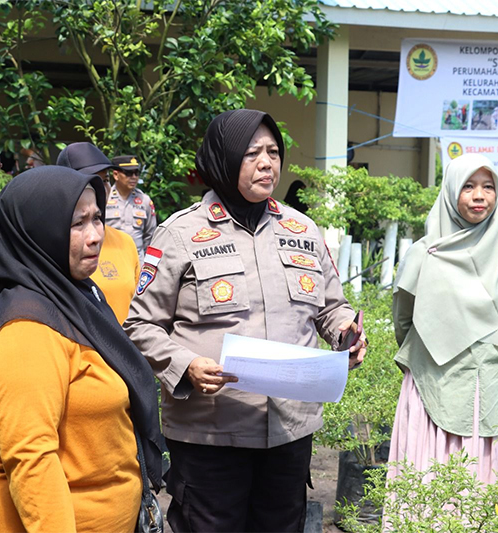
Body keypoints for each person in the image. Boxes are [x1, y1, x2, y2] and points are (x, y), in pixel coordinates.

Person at [124, 109, 366, 532]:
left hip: (289, 431)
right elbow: (139, 326)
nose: (267, 162)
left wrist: (346, 331)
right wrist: (185, 365)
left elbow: (330, 307)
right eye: (252, 153)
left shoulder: (303, 229)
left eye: (273, 151)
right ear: (224, 158)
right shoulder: (179, 234)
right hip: (212, 435)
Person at [0, 166, 162, 532]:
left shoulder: (77, 297)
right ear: (37, 232)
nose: (95, 237)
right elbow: (31, 460)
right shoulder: (25, 327)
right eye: (77, 224)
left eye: (98, 219)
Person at [388, 153, 498, 488]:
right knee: (433, 486)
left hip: (496, 386)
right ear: (451, 192)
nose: (479, 196)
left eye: (488, 187)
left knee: (491, 489)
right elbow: (404, 322)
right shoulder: (425, 254)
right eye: (468, 186)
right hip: (435, 384)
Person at [57, 143, 141, 323]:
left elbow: (140, 306)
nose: (101, 188)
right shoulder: (56, 244)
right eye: (91, 180)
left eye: (105, 180)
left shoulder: (125, 242)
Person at [106, 155, 157, 260]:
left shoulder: (144, 200)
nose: (134, 177)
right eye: (128, 173)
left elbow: (150, 235)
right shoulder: (105, 198)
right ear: (116, 175)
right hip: (110, 258)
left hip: (137, 260)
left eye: (136, 173)